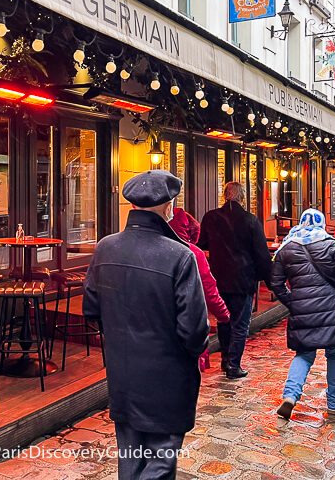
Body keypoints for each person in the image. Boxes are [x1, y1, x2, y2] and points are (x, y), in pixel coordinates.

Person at [83, 170, 209, 480]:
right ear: (169, 206)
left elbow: (90, 308)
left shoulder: (105, 247)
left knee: (131, 460)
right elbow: (194, 331)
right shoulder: (180, 256)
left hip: (123, 375)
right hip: (167, 379)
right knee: (160, 463)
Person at [269, 208, 335, 419]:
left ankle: (290, 396)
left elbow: (275, 284)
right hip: (333, 311)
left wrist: (293, 302)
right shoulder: (331, 245)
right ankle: (334, 403)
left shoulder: (286, 249)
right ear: (322, 224)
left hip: (302, 311)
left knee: (303, 354)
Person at [197, 181, 272, 379]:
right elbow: (262, 255)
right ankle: (233, 364)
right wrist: (270, 280)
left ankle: (225, 359)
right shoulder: (251, 220)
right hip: (244, 279)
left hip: (219, 277)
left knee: (224, 320)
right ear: (242, 197)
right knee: (240, 324)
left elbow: (201, 242)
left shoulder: (211, 217)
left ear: (225, 195)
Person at [169, 208, 231, 371]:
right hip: (189, 322)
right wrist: (223, 315)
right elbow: (209, 291)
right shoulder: (194, 253)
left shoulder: (153, 249)